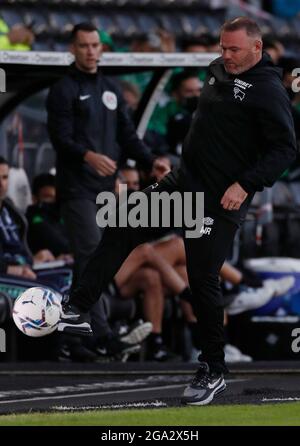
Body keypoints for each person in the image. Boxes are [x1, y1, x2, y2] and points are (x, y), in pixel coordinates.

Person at [58, 17, 297, 405]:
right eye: (223, 47)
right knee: (123, 222)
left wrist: (245, 185)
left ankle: (214, 368)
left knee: (202, 278)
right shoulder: (217, 70)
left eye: (234, 49)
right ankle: (78, 307)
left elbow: (285, 150)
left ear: (257, 49)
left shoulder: (269, 90)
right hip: (183, 182)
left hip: (219, 200)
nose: (226, 55)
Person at [46, 23, 168, 287]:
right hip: (76, 188)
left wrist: (151, 161)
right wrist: (88, 155)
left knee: (103, 256)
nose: (90, 51)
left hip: (106, 188)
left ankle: (83, 321)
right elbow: (60, 139)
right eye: (83, 46)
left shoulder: (111, 88)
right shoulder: (64, 89)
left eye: (94, 45)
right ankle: (97, 328)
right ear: (72, 49)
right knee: (90, 252)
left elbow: (127, 135)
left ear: (101, 48)